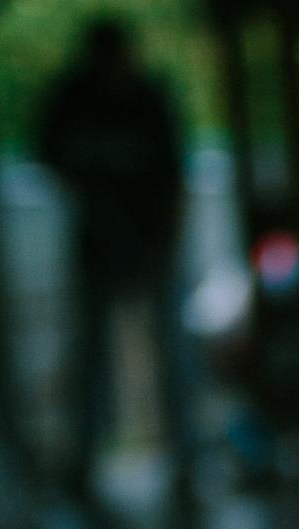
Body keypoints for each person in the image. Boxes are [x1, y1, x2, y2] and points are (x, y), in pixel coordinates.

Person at [35, 17, 186, 495]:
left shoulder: (148, 100)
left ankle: (187, 457)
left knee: (174, 353)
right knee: (89, 358)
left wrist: (163, 246)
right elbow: (48, 155)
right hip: (97, 246)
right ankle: (82, 462)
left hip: (150, 241)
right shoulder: (74, 100)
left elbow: (175, 182)